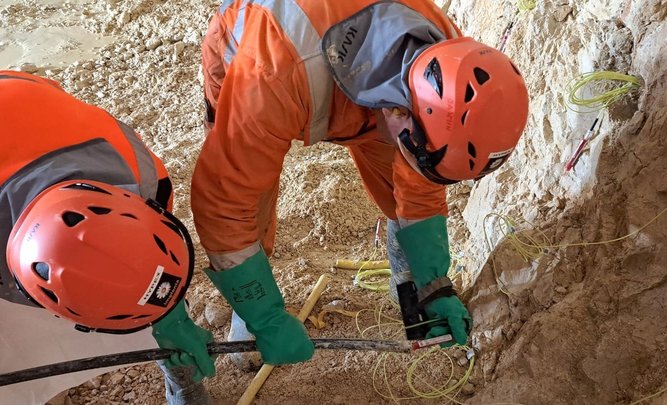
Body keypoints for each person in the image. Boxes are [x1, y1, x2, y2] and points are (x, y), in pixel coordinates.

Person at [192, 0, 529, 375]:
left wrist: (431, 280)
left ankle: (409, 281)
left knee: (402, 160)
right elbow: (224, 202)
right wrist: (262, 312)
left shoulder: (447, 65)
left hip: (348, 79)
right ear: (397, 110)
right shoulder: (268, 79)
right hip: (264, 53)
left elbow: (421, 175)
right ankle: (248, 309)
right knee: (249, 196)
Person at [0, 71, 215, 405]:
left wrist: (171, 319)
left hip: (24, 99)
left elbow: (149, 266)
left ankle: (178, 376)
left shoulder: (142, 176)